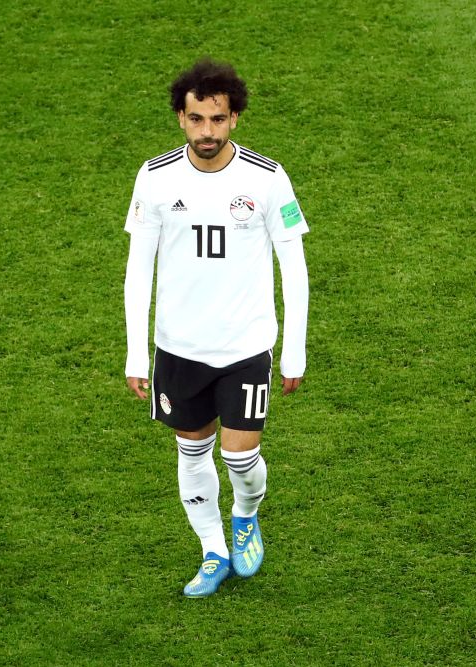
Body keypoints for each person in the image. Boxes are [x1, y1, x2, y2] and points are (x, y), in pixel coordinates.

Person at [123, 58, 309, 598]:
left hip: (246, 344)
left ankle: (246, 512)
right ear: (180, 118)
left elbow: (293, 267)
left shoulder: (267, 178)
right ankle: (212, 549)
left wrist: (293, 353)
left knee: (240, 458)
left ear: (235, 120)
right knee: (191, 451)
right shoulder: (155, 177)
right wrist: (138, 355)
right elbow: (138, 271)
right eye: (197, 119)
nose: (208, 131)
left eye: (218, 120)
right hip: (179, 349)